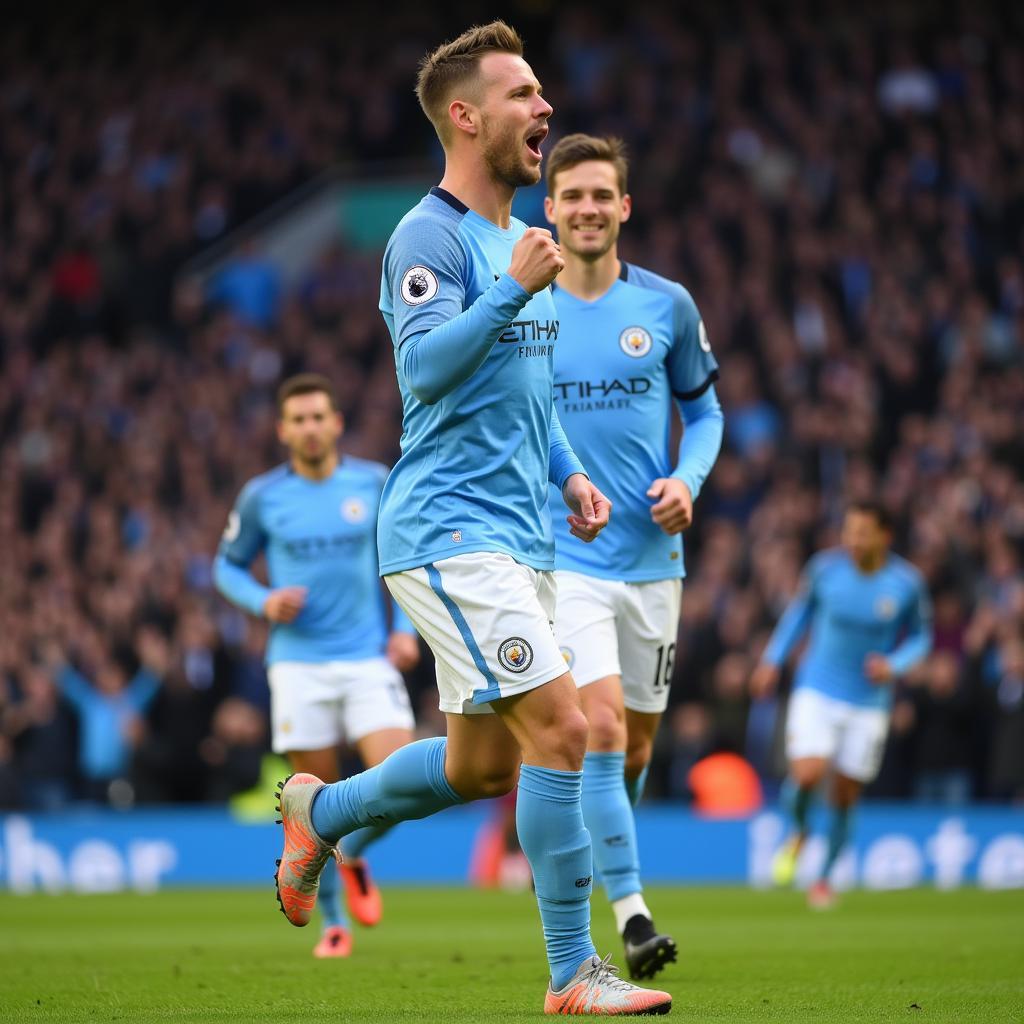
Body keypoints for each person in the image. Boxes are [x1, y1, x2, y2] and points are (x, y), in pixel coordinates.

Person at [272, 21, 672, 1015]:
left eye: (542, 93)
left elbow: (521, 391)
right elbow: (423, 369)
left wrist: (571, 473)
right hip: (450, 528)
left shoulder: (510, 239)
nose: (545, 109)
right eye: (523, 94)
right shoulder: (432, 235)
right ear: (465, 114)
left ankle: (316, 812)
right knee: (566, 727)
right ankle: (573, 972)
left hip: (519, 530)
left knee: (481, 763)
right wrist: (508, 290)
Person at [542, 133, 724, 978]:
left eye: (599, 195)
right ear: (549, 208)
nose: (585, 208)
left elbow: (708, 412)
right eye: (570, 194)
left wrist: (687, 478)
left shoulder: (667, 307)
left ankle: (600, 860)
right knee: (602, 727)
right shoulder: (526, 311)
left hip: (654, 562)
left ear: (624, 206)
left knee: (637, 749)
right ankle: (632, 914)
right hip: (563, 556)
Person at [214, 373, 420, 958]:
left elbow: (403, 560)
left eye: (317, 417)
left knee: (401, 781)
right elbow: (225, 566)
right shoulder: (262, 497)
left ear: (336, 423)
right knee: (314, 799)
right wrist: (263, 600)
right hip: (298, 666)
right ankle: (335, 924)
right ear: (282, 430)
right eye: (297, 419)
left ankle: (351, 855)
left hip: (366, 659)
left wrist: (405, 632)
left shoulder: (372, 483)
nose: (309, 428)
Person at [750, 502, 933, 908]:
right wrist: (771, 661)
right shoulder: (825, 570)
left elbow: (921, 637)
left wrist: (894, 664)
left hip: (869, 701)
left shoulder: (905, 583)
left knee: (846, 794)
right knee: (808, 773)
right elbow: (799, 616)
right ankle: (799, 830)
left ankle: (825, 877)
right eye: (849, 531)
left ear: (884, 536)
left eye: (863, 532)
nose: (853, 540)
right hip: (817, 687)